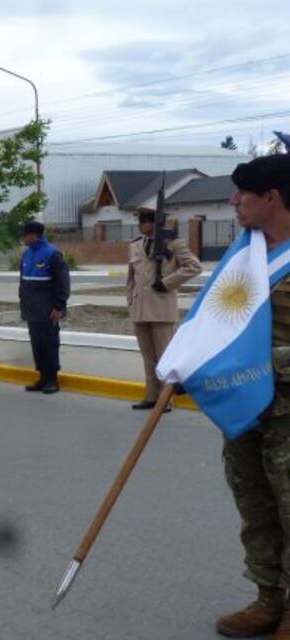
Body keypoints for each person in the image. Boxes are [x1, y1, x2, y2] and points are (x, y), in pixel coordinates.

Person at [214, 154, 290, 639]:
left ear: (272, 198)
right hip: (247, 408)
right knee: (256, 506)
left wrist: (268, 362)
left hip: (287, 409)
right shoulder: (245, 252)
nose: (233, 201)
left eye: (242, 193)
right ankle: (268, 598)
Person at [127, 210, 201, 411]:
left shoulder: (174, 243)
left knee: (165, 356)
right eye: (140, 221)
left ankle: (165, 399)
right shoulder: (135, 244)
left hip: (161, 306)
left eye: (144, 221)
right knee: (148, 356)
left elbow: (194, 267)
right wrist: (130, 303)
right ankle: (151, 396)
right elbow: (131, 278)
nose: (140, 225)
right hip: (140, 308)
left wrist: (166, 283)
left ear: (155, 223)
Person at [18, 221, 70, 395]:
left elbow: (62, 283)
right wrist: (23, 305)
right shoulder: (26, 254)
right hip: (32, 309)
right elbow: (23, 282)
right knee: (37, 344)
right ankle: (42, 376)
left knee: (49, 343)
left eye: (25, 234)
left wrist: (59, 306)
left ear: (34, 235)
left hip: (48, 309)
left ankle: (52, 380)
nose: (23, 238)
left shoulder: (52, 253)